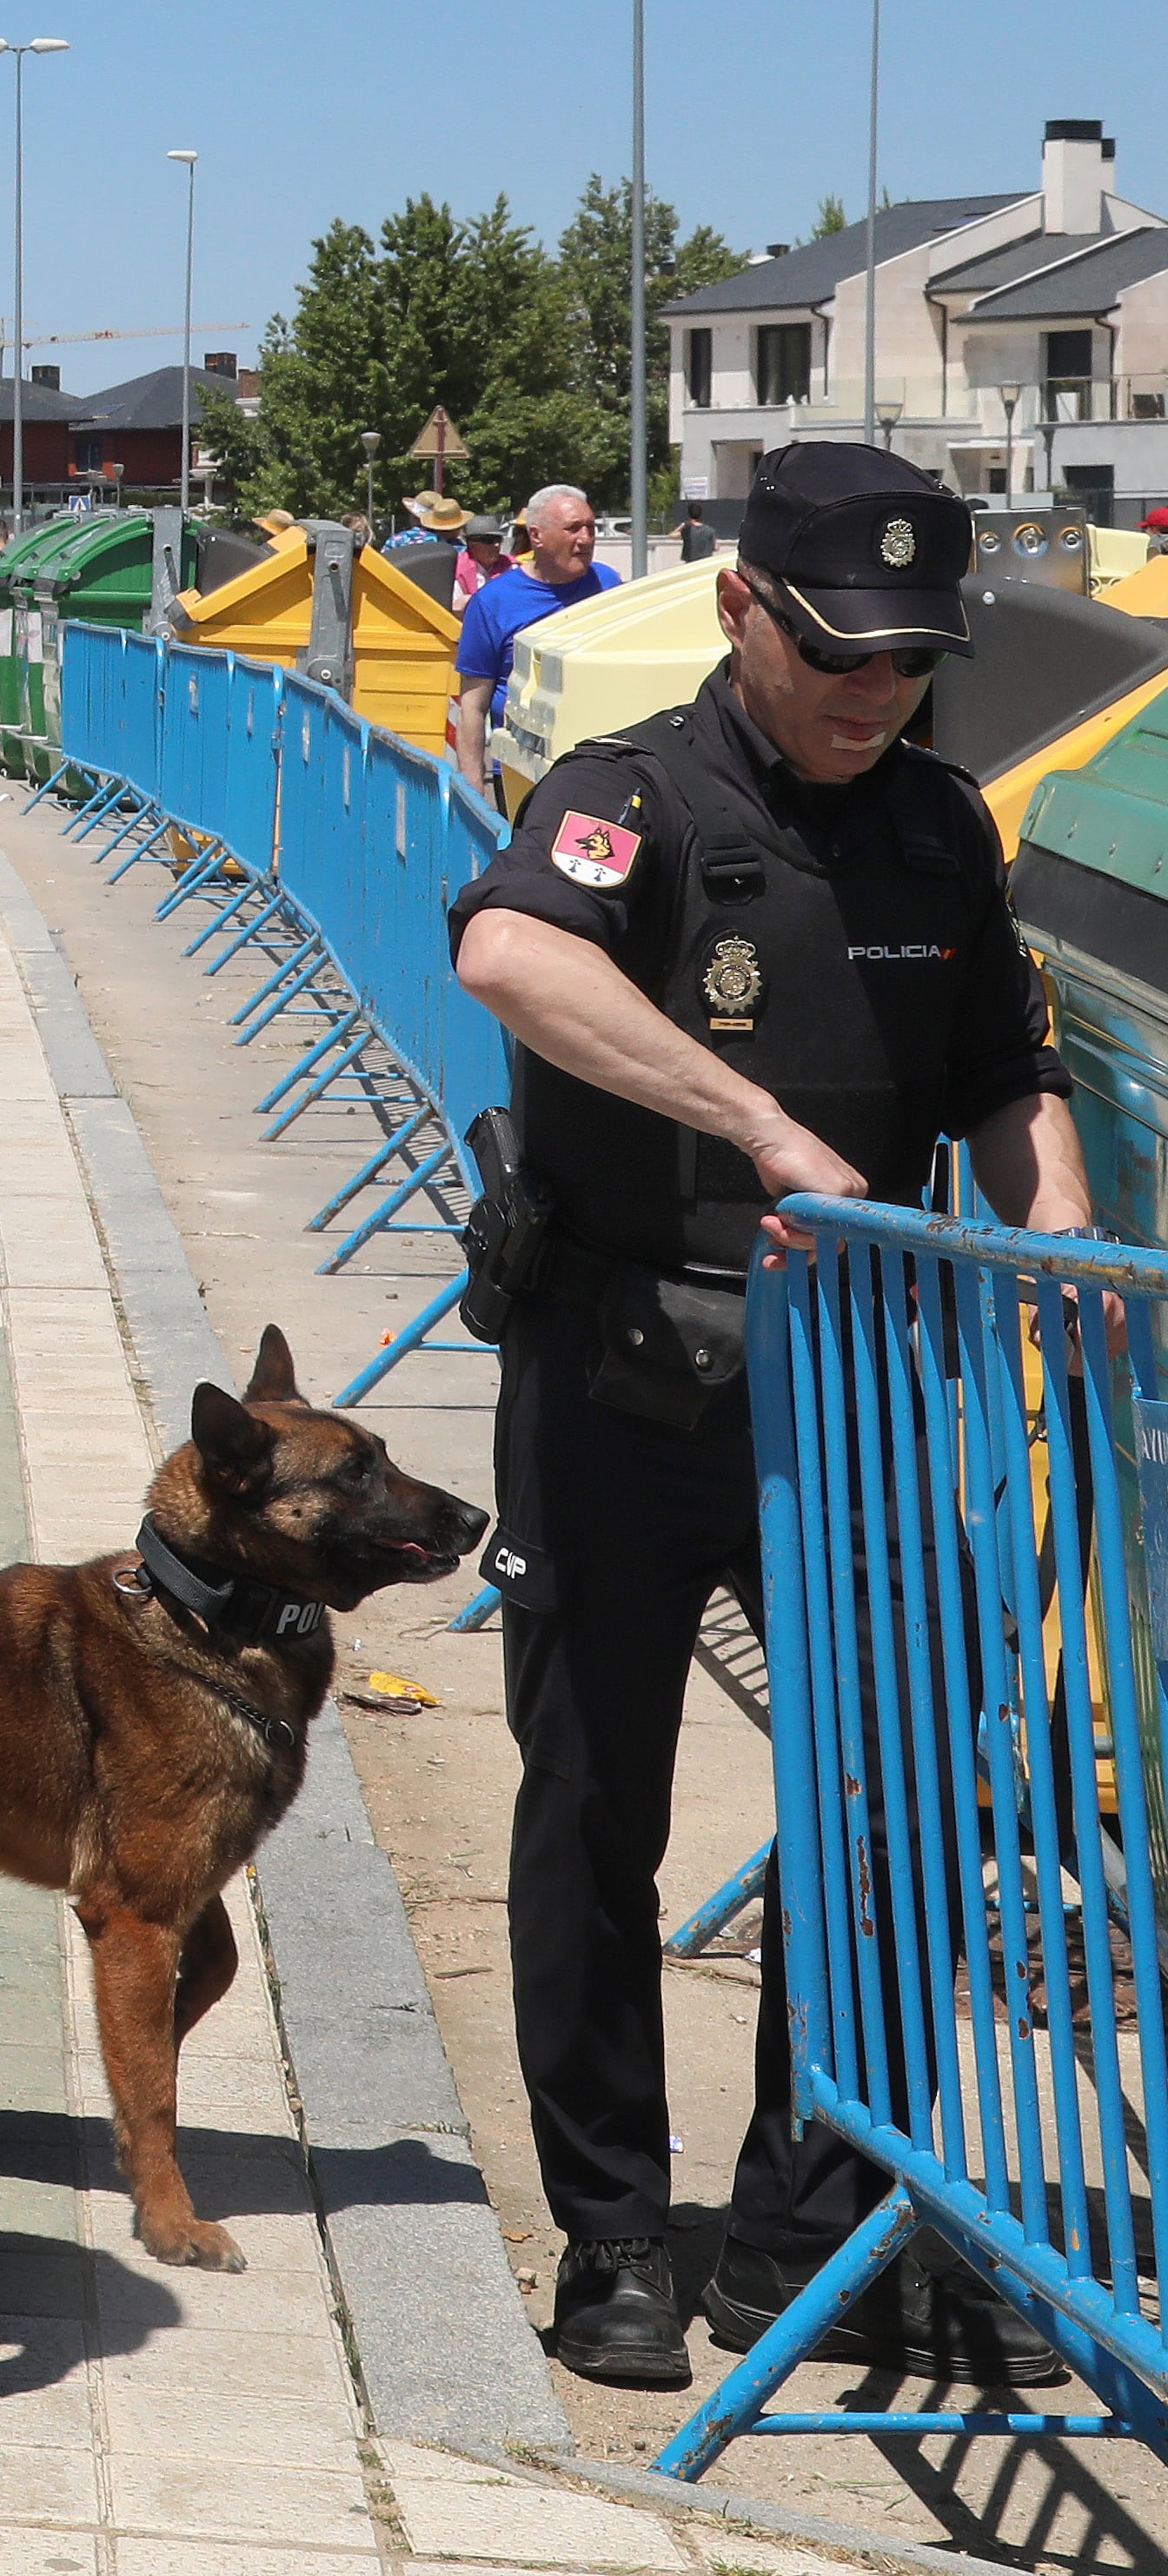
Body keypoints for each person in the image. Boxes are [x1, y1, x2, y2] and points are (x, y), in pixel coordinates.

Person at [448, 441, 1089, 2394]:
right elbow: (505, 953)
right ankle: (614, 2229)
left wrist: (1050, 1209)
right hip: (625, 1376)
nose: (867, 695)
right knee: (595, 1817)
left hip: (860, 1398)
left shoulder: (937, 826)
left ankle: (815, 2222)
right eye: (834, 655)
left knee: (883, 1811)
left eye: (902, 663)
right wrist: (753, 1125)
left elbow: (1001, 1064)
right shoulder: (625, 797)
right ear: (740, 609)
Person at [449, 484, 618, 794]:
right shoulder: (493, 603)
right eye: (573, 529)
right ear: (537, 536)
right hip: (523, 771)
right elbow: (473, 706)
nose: (586, 539)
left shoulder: (609, 585)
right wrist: (472, 789)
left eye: (590, 528)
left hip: (603, 766)